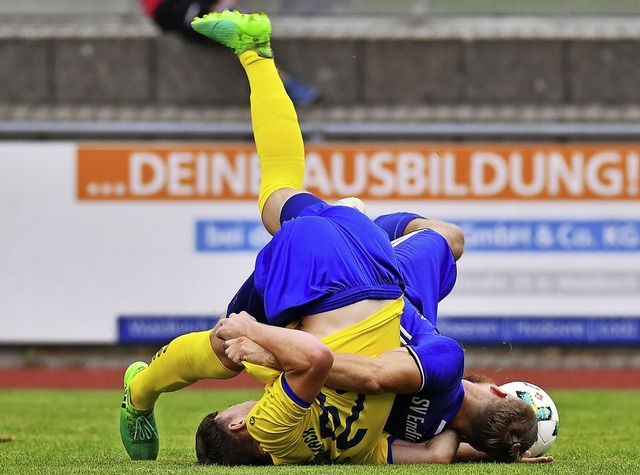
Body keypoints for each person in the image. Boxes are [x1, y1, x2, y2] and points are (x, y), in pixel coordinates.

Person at [119, 9, 542, 465]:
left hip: (375, 260)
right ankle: (140, 392)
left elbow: (450, 238)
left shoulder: (435, 345)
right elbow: (382, 386)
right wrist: (266, 343)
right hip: (330, 281)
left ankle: (255, 54)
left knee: (278, 196)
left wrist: (390, 229)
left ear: (498, 387)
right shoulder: (413, 395)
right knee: (228, 343)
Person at [138, 0, 322, 106]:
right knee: (233, 22)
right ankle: (280, 82)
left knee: (236, 18)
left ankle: (276, 83)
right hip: (167, 6)